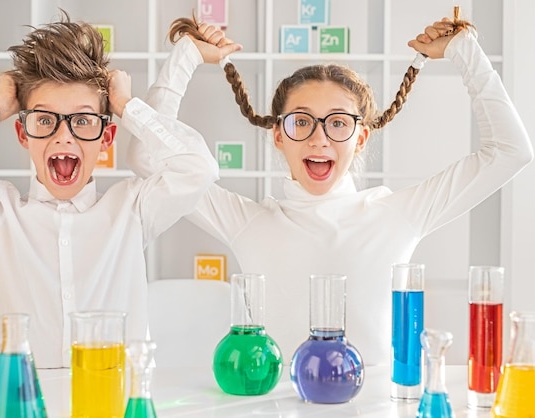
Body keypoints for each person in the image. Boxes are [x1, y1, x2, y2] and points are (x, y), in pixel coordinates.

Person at [128, 12, 533, 366]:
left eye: (338, 123)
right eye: (301, 121)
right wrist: (186, 57)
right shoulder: (248, 222)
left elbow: (511, 152)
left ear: (360, 138)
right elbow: (149, 158)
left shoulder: (397, 214)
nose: (319, 139)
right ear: (278, 136)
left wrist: (465, 51)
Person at [0, 12, 218, 368]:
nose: (63, 135)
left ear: (106, 138)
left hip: (114, 399)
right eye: (44, 119)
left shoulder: (133, 209)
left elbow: (199, 168)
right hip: (25, 400)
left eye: (83, 120)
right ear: (23, 134)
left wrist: (126, 107)